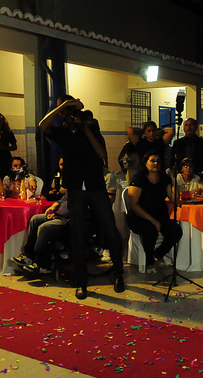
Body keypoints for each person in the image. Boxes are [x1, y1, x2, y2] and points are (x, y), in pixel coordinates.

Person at [38, 95, 124, 299]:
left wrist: (84, 127)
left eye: (69, 110)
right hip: (76, 189)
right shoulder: (62, 133)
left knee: (110, 230)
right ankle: (81, 283)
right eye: (63, 111)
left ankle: (119, 275)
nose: (67, 115)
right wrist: (65, 105)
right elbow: (43, 125)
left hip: (96, 187)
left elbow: (101, 152)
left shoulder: (92, 127)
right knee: (77, 235)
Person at [126, 152, 182, 275]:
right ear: (145, 163)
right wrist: (152, 220)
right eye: (152, 161)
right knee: (150, 230)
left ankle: (159, 253)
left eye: (158, 161)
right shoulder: (138, 178)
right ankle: (149, 262)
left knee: (176, 231)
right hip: (139, 216)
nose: (155, 163)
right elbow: (133, 205)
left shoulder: (164, 178)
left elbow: (175, 200)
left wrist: (173, 180)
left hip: (160, 215)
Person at [11, 193, 70, 275]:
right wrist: (53, 209)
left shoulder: (86, 191)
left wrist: (59, 215)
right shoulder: (72, 188)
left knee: (44, 227)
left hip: (68, 220)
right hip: (59, 215)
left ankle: (42, 264)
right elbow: (61, 200)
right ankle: (29, 257)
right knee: (35, 219)